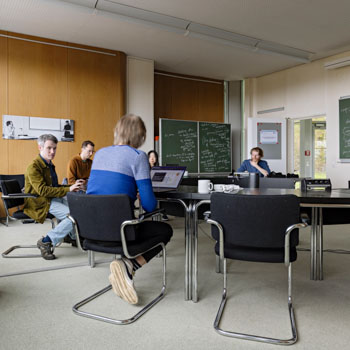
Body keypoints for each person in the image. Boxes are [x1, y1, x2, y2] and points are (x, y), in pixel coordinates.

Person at [87, 114, 173, 305]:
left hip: (89, 230)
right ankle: (129, 264)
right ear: (139, 137)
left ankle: (126, 269)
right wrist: (143, 193)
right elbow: (150, 206)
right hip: (120, 231)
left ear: (117, 131)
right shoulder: (138, 156)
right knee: (165, 230)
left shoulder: (99, 153)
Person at [23, 134, 84, 260]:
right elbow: (43, 190)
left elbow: (54, 187)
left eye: (55, 148)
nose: (52, 151)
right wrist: (68, 189)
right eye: (49, 148)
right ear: (40, 147)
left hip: (50, 199)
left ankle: (70, 236)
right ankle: (46, 241)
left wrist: (73, 186)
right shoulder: (33, 167)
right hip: (40, 202)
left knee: (78, 210)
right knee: (72, 216)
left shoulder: (49, 164)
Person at [148, 149, 169, 221]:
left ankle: (163, 213)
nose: (152, 158)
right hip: (149, 188)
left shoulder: (159, 169)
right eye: (150, 157)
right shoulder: (145, 169)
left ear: (156, 158)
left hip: (158, 188)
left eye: (154, 157)